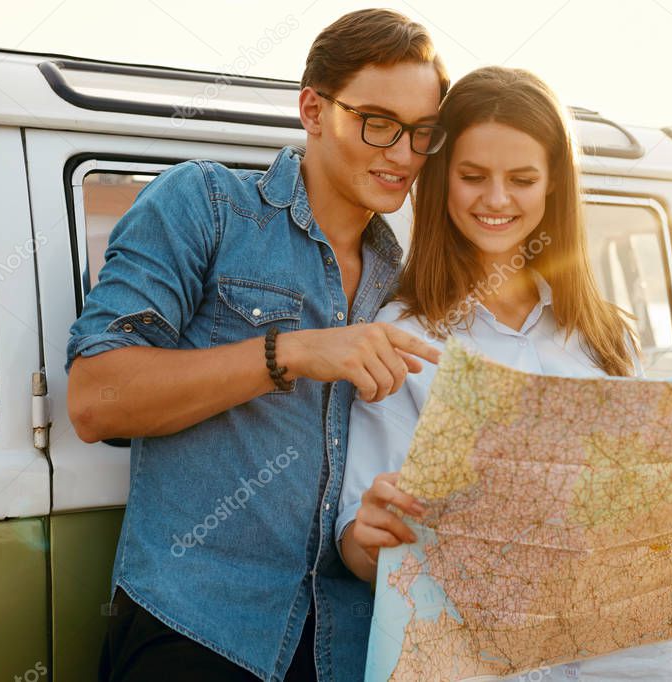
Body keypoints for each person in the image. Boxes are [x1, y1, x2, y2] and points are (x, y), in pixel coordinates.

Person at [337, 66, 672, 680]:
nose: (497, 200)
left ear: (554, 185)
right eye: (473, 176)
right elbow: (362, 542)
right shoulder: (404, 333)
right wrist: (365, 540)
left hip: (631, 665)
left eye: (523, 179)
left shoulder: (607, 337)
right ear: (440, 179)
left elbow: (658, 510)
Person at [65, 9, 449, 681]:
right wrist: (290, 352)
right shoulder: (205, 205)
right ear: (312, 108)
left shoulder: (412, 283)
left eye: (422, 134)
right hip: (197, 632)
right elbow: (97, 399)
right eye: (378, 123)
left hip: (350, 648)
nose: (402, 155)